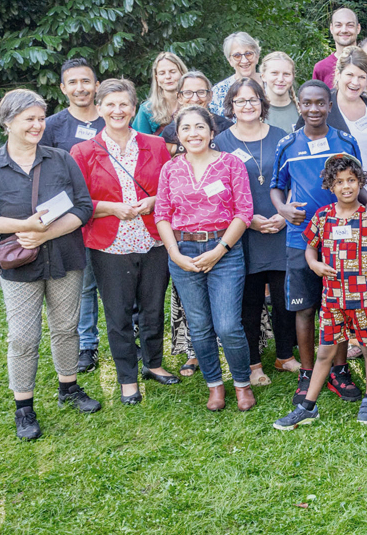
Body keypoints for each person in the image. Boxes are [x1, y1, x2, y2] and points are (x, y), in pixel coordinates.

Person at [0, 90, 99, 440]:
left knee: (66, 327)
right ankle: (24, 407)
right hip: (19, 264)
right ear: (7, 121)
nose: (37, 125)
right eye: (29, 119)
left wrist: (45, 233)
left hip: (65, 256)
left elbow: (83, 207)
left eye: (41, 118)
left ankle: (69, 387)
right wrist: (24, 227)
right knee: (23, 337)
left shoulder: (61, 159)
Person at [273, 153, 367, 429]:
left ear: (360, 182)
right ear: (330, 186)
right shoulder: (323, 217)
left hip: (366, 298)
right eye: (339, 182)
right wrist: (314, 264)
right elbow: (310, 246)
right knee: (325, 352)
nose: (346, 186)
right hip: (333, 299)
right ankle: (308, 407)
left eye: (351, 180)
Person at [71, 79, 177, 405]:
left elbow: (172, 188)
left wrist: (154, 201)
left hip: (153, 240)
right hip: (109, 244)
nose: (117, 110)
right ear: (99, 108)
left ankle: (154, 364)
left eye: (124, 104)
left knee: (153, 307)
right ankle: (127, 378)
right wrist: (110, 208)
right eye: (110, 104)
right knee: (117, 314)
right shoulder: (83, 151)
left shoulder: (155, 145)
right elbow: (78, 201)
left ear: (133, 108)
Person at [270, 80, 367, 406]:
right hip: (300, 237)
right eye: (307, 103)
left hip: (342, 237)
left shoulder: (345, 142)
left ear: (330, 105)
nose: (313, 109)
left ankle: (339, 370)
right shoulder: (287, 145)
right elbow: (276, 186)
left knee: (339, 306)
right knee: (304, 307)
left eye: (320, 103)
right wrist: (283, 208)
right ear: (299, 106)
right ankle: (307, 371)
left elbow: (357, 181)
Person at [155, 105, 254, 411]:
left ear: (212, 132)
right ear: (178, 135)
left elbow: (244, 212)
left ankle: (242, 383)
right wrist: (174, 254)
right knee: (199, 326)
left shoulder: (230, 163)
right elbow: (162, 214)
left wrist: (219, 250)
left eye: (199, 127)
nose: (193, 133)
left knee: (227, 326)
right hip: (183, 253)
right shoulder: (170, 169)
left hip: (224, 250)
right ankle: (214, 385)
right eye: (186, 128)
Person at [215, 77, 299, 382]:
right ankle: (253, 365)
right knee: (248, 301)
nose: (247, 105)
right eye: (240, 100)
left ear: (262, 103)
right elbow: (218, 191)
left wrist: (285, 213)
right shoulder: (221, 142)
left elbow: (295, 178)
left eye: (253, 99)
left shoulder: (281, 137)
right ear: (231, 106)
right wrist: (247, 220)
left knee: (284, 297)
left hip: (280, 228)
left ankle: (285, 356)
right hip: (243, 232)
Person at [39, 57, 105, 373]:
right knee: (84, 284)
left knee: (122, 283)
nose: (80, 88)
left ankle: (130, 338)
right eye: (73, 82)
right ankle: (87, 346)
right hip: (71, 219)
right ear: (63, 88)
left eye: (86, 81)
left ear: (96, 85)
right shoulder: (51, 126)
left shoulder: (112, 118)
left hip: (110, 215)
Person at [317, 45, 367, 196]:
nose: (355, 82)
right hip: (333, 201)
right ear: (338, 74)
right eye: (350, 75)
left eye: (361, 77)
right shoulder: (320, 110)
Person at [311, 7, 367, 92]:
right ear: (331, 28)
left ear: (358, 28)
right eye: (338, 25)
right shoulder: (321, 68)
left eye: (350, 25)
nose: (344, 30)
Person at [160, 71, 233, 156]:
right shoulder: (169, 132)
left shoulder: (226, 129)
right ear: (179, 97)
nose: (195, 99)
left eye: (201, 92)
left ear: (210, 96)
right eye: (188, 93)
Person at [133, 52, 187, 135]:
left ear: (182, 74)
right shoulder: (147, 110)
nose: (168, 76)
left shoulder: (195, 104)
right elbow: (139, 140)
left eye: (173, 72)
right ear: (157, 79)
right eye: (162, 73)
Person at [209, 32, 261, 114]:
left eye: (248, 54)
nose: (244, 60)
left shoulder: (272, 85)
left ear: (257, 56)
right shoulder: (218, 92)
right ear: (230, 61)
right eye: (237, 56)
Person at [260, 51, 300, 133]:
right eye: (274, 73)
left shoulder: (303, 108)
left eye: (286, 74)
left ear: (293, 77)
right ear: (263, 76)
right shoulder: (254, 110)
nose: (281, 79)